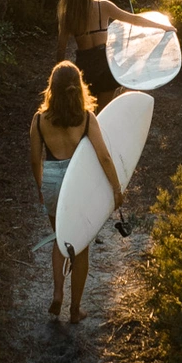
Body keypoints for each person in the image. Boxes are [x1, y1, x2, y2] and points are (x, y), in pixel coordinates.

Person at [30, 60, 122, 322]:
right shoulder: (86, 118)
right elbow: (104, 157)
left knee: (61, 238)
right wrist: (116, 189)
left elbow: (35, 160)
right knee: (80, 247)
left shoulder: (39, 121)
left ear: (52, 89)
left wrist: (40, 186)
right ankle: (75, 308)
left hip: (52, 181)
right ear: (78, 87)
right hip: (78, 182)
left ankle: (58, 294)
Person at [55, 0, 167, 98]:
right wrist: (162, 26)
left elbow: (61, 49)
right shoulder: (104, 6)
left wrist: (60, 75)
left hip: (84, 65)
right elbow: (134, 19)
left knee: (88, 110)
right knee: (105, 112)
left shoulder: (68, 15)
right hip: (104, 64)